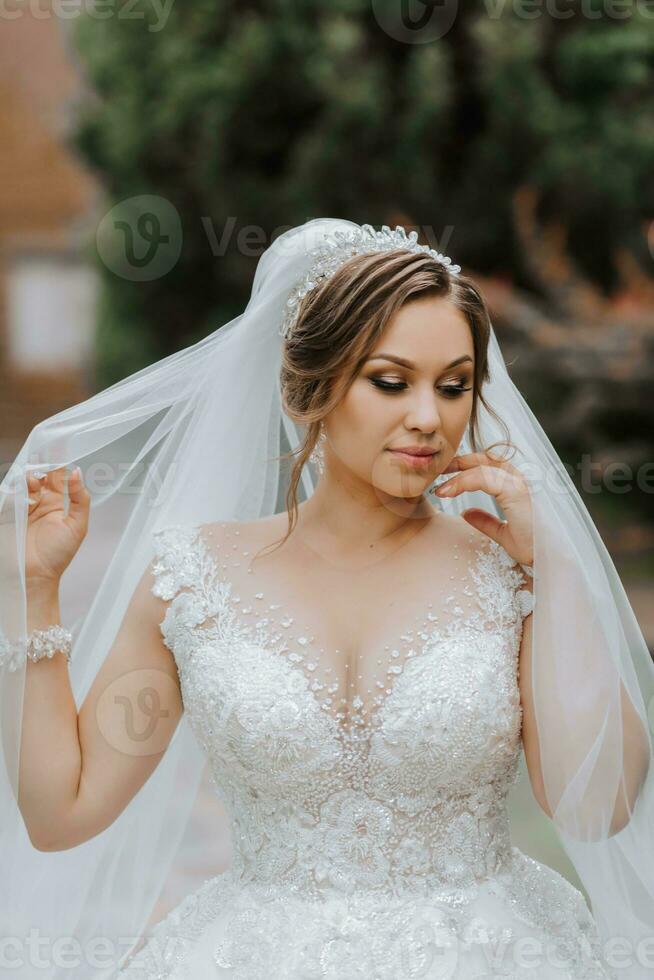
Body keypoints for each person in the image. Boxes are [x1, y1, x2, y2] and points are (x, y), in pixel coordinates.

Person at [0, 219, 652, 980]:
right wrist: (32, 590)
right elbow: (62, 812)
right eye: (389, 380)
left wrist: (560, 572)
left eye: (454, 386)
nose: (428, 418)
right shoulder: (194, 580)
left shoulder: (510, 572)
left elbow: (597, 808)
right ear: (308, 385)